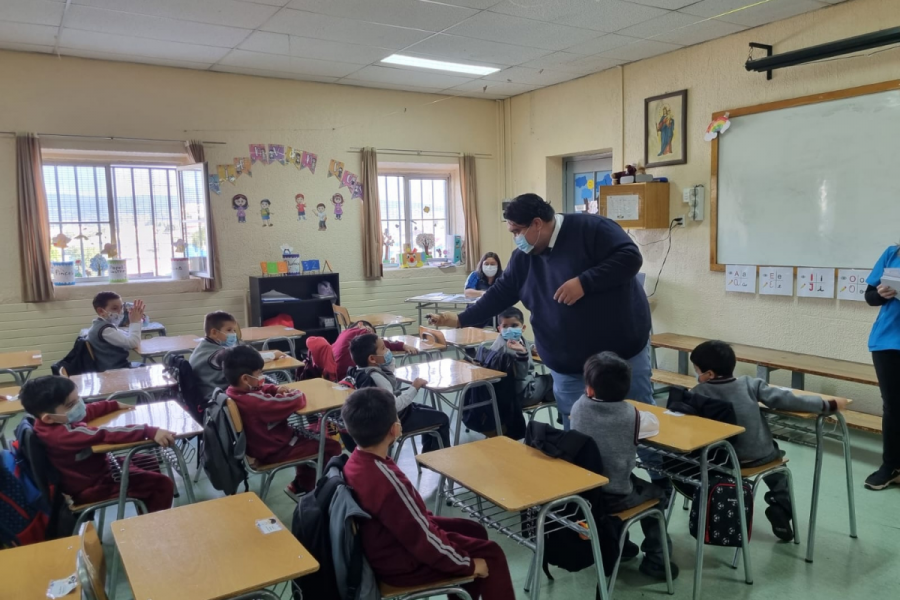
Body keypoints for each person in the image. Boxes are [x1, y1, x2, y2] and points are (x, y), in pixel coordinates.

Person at [428, 193, 652, 432]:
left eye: (517, 231)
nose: (516, 239)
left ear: (537, 223)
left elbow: (630, 258)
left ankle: (660, 468)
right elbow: (501, 293)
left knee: (643, 426)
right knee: (578, 433)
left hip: (620, 357)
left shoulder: (591, 228)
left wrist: (585, 283)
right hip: (567, 363)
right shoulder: (523, 259)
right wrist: (461, 319)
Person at [341, 387, 516, 600]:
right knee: (492, 554)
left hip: (383, 546)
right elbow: (423, 540)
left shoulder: (355, 462)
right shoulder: (387, 480)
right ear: (395, 429)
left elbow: (411, 521)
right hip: (400, 565)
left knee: (474, 530)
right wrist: (468, 565)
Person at [690, 340, 847, 541]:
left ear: (709, 374)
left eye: (696, 370)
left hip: (720, 462)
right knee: (778, 471)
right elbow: (788, 399)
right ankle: (780, 506)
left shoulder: (697, 393)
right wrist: (827, 404)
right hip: (760, 455)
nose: (696, 374)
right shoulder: (749, 384)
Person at [570, 352, 677, 580]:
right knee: (656, 497)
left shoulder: (578, 407)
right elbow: (653, 425)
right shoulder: (632, 415)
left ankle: (623, 545)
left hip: (585, 491)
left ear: (589, 389)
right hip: (616, 493)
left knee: (631, 486)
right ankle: (657, 561)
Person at [20, 375, 175, 513]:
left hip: (96, 472)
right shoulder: (63, 435)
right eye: (71, 404)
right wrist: (149, 431)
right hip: (91, 487)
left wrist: (112, 405)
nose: (79, 406)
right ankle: (152, 528)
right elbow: (106, 434)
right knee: (162, 485)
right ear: (48, 418)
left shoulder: (53, 422)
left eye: (78, 399)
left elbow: (86, 411)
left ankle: (144, 511)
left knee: (150, 461)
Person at [224, 346, 340, 496]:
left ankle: (301, 484)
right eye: (259, 373)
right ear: (245, 378)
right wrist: (295, 391)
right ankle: (321, 493)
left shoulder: (232, 392)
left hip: (262, 446)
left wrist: (273, 389)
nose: (261, 376)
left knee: (313, 434)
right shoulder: (256, 403)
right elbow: (296, 400)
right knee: (330, 446)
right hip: (275, 449)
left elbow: (258, 391)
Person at [345, 334, 450, 453]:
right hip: (395, 419)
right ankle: (435, 459)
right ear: (372, 359)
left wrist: (387, 361)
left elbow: (390, 374)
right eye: (384, 348)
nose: (388, 351)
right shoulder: (377, 378)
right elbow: (394, 406)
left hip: (381, 418)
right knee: (442, 419)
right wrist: (414, 388)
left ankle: (429, 455)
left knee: (432, 413)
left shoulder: (359, 372)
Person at [864, 244, 900, 489]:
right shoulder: (893, 253)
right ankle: (891, 466)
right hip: (888, 342)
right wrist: (881, 294)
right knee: (894, 406)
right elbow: (869, 296)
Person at [189, 311, 285, 400]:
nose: (234, 334)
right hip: (220, 400)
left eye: (234, 330)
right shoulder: (217, 354)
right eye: (229, 330)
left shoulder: (203, 348)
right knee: (264, 381)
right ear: (214, 332)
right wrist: (273, 354)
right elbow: (248, 360)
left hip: (210, 396)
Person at [480, 307, 553, 408]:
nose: (510, 330)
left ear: (523, 328)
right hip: (521, 394)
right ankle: (565, 417)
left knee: (555, 385)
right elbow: (521, 375)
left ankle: (549, 398)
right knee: (557, 380)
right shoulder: (504, 351)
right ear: (499, 329)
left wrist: (530, 349)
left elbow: (521, 346)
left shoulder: (509, 340)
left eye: (514, 325)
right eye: (505, 326)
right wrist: (522, 353)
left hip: (521, 387)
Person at [332, 320, 419, 380]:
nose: (371, 334)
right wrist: (403, 345)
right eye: (371, 332)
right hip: (346, 377)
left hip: (335, 376)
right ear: (360, 324)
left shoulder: (344, 333)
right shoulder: (362, 332)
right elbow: (381, 342)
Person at [87, 291, 146, 372]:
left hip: (113, 368)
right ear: (101, 311)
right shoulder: (106, 330)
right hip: (114, 370)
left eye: (121, 307)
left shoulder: (102, 325)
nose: (120, 312)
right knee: (145, 368)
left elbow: (126, 337)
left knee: (142, 365)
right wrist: (135, 322)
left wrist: (134, 321)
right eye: (115, 308)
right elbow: (133, 343)